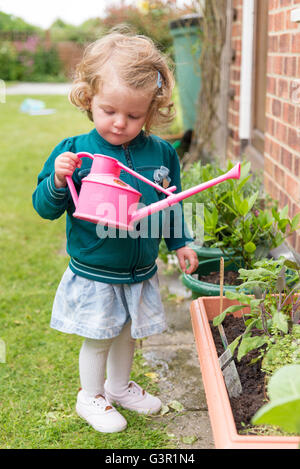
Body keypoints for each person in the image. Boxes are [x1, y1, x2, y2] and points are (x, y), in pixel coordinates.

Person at [32, 31, 198, 433]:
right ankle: (91, 396)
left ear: (152, 110)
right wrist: (57, 181)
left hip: (139, 270)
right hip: (96, 269)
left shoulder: (161, 154)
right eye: (109, 110)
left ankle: (119, 387)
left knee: (128, 333)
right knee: (99, 336)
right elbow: (44, 207)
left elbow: (169, 203)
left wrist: (181, 242)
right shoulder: (74, 152)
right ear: (89, 99)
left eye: (134, 115)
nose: (120, 123)